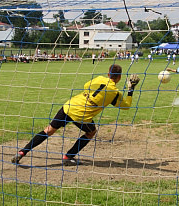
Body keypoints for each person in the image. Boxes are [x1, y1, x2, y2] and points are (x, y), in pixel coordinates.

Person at [11, 64, 140, 166]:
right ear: (120, 77)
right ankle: (68, 156)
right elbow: (126, 106)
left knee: (48, 130)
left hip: (70, 106)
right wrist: (130, 89)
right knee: (91, 132)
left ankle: (22, 152)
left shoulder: (100, 79)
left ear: (108, 74)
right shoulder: (115, 93)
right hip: (81, 115)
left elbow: (86, 85)